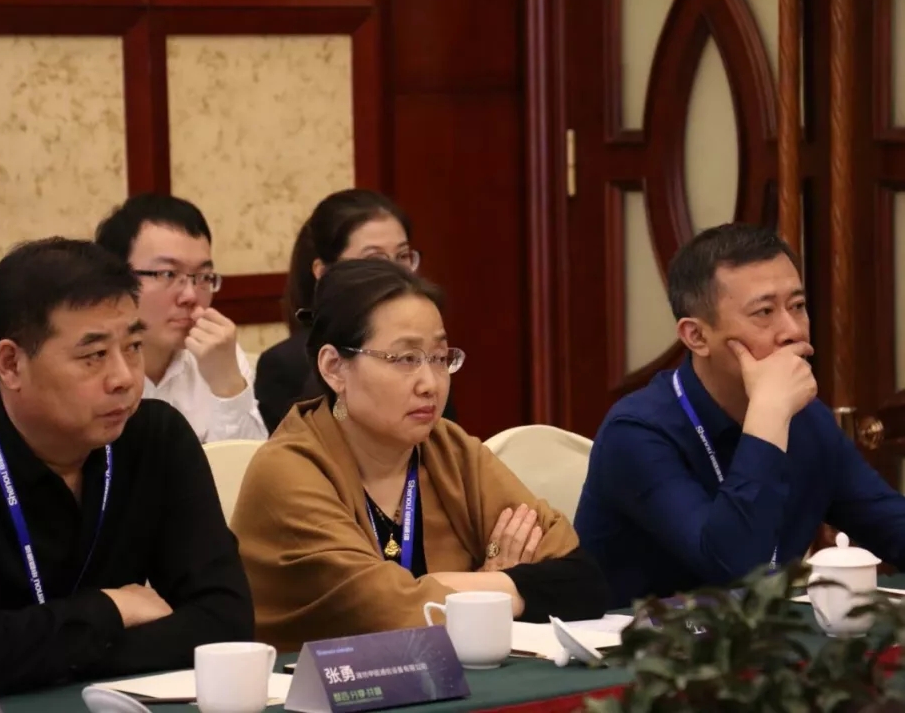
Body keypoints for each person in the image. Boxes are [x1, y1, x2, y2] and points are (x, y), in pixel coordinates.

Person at [0, 238, 253, 702]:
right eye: (93, 355)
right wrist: (111, 609)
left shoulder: (156, 438)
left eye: (134, 346)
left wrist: (43, 653)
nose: (124, 377)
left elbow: (226, 622)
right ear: (11, 364)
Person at [232, 259, 608, 651]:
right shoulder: (288, 470)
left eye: (440, 358)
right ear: (335, 368)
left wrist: (472, 590)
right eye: (406, 359)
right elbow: (381, 613)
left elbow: (581, 579)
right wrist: (495, 582)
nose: (431, 384)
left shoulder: (448, 449)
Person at [574, 223, 905, 607]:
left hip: (755, 638)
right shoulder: (636, 433)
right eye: (764, 312)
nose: (793, 331)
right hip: (631, 640)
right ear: (696, 336)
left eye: (797, 306)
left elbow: (891, 527)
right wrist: (768, 416)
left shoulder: (807, 420)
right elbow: (734, 570)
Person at [255, 189, 456, 433]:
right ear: (323, 273)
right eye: (374, 259)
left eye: (402, 256)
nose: (394, 271)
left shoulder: (427, 352)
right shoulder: (285, 364)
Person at [95, 194, 266, 442]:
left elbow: (249, 463)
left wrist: (227, 384)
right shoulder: (90, 367)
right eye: (168, 274)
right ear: (115, 280)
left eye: (203, 276)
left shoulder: (218, 355)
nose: (190, 295)